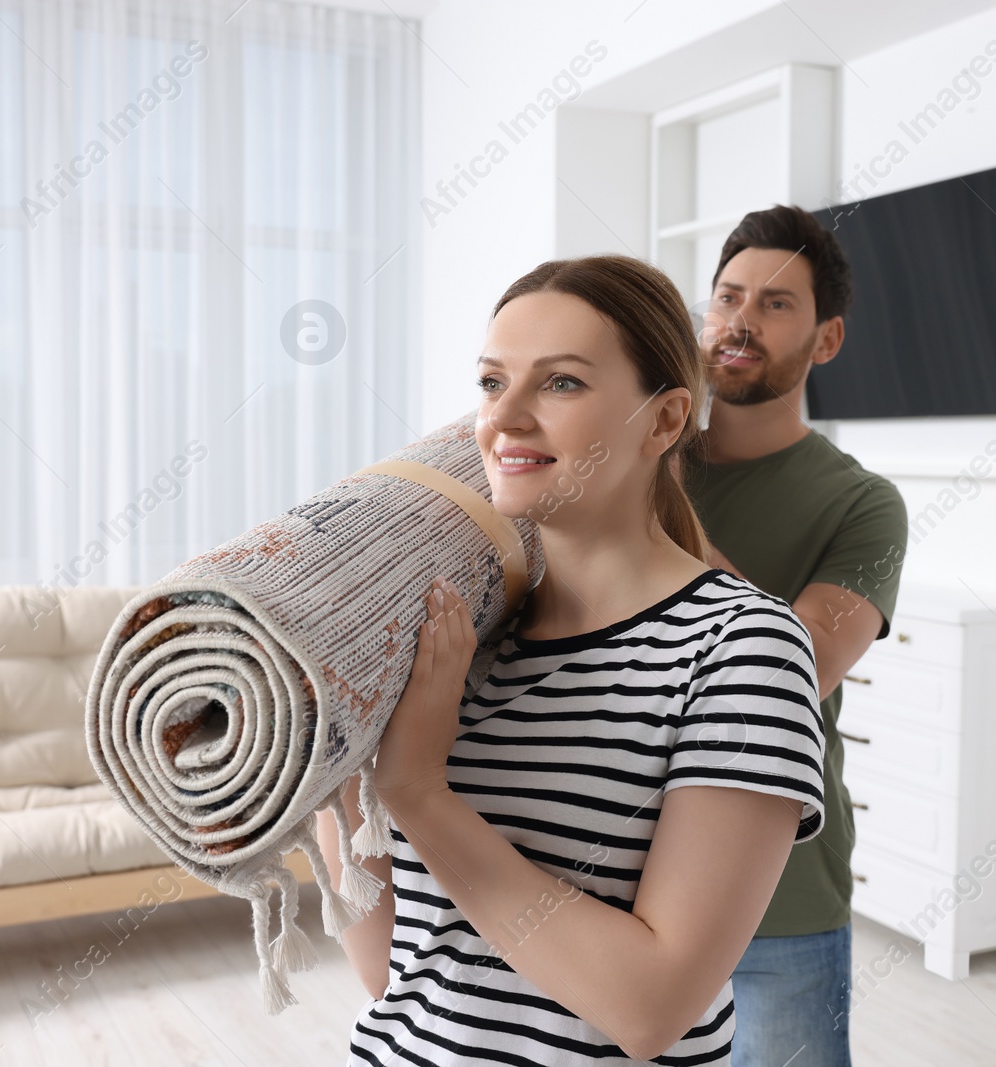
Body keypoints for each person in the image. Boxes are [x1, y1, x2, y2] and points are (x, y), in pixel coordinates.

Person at [317, 253, 827, 1065]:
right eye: (492, 382)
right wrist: (334, 766)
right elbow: (398, 974)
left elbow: (650, 1006)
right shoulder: (462, 645)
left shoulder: (741, 647)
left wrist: (416, 790)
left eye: (559, 383)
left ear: (664, 422)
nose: (505, 417)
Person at [676, 205, 909, 1067]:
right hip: (612, 876)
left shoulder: (864, 503)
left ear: (827, 339)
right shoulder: (629, 463)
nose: (739, 320)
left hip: (781, 899)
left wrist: (654, 511)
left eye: (775, 304)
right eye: (727, 297)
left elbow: (791, 667)